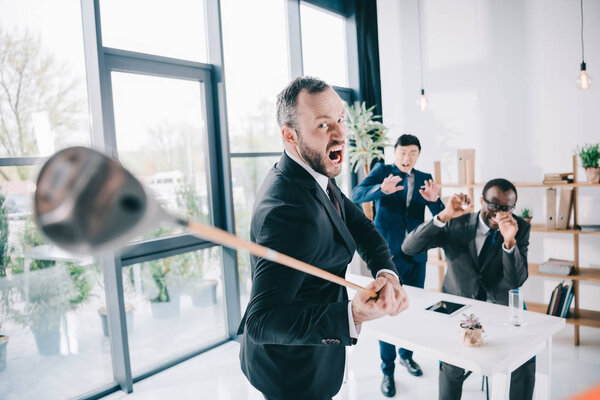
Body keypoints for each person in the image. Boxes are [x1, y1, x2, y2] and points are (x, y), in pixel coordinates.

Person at [237, 76, 409, 400]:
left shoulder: (314, 175)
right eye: (322, 125)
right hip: (292, 373)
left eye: (341, 119)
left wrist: (387, 275)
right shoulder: (286, 212)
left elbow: (363, 228)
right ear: (290, 135)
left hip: (316, 359)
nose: (341, 134)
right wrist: (351, 315)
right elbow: (260, 322)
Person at [402, 178, 535, 400]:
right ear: (482, 200)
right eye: (494, 205)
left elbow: (516, 280)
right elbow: (408, 247)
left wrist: (509, 241)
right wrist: (443, 216)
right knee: (452, 365)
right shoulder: (456, 221)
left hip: (500, 308)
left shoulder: (520, 228)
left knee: (525, 359)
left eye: (507, 207)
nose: (499, 212)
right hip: (459, 307)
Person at [351, 134, 445, 397]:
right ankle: (387, 370)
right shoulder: (383, 172)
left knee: (411, 309)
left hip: (417, 255)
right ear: (395, 153)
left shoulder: (425, 176)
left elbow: (440, 213)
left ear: (418, 155)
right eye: (403, 152)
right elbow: (355, 195)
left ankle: (406, 356)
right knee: (386, 309)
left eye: (412, 153)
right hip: (387, 257)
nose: (407, 158)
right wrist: (381, 189)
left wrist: (436, 200)